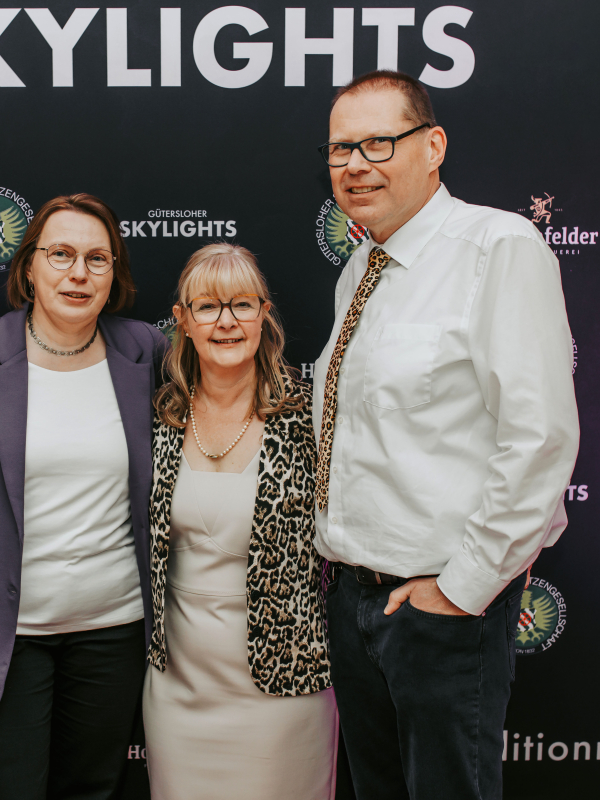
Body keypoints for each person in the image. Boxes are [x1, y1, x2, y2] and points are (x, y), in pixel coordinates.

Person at [312, 70, 580, 800]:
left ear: (433, 147)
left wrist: (461, 592)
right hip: (356, 602)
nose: (355, 165)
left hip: (443, 611)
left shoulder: (498, 246)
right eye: (340, 149)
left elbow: (540, 439)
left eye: (379, 143)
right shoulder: (360, 268)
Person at [0, 193, 169, 799]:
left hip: (114, 629)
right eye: (61, 254)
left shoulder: (145, 352)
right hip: (2, 638)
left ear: (114, 274)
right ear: (29, 267)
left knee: (92, 789)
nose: (78, 273)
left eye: (97, 258)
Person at [144, 243, 338, 800]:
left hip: (284, 688)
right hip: (177, 689)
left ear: (264, 313)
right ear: (182, 321)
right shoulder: (159, 416)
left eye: (242, 304)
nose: (226, 322)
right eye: (207, 307)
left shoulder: (310, 415)